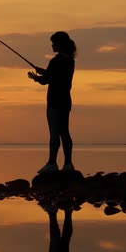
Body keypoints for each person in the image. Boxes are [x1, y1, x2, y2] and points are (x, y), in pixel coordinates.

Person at [28, 31, 76, 173]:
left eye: (54, 43)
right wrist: (41, 72)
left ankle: (51, 163)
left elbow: (47, 80)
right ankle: (68, 164)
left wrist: (36, 78)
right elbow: (54, 76)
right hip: (65, 101)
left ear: (60, 44)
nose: (52, 45)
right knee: (65, 133)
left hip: (54, 101)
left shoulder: (56, 61)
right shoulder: (69, 60)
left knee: (54, 133)